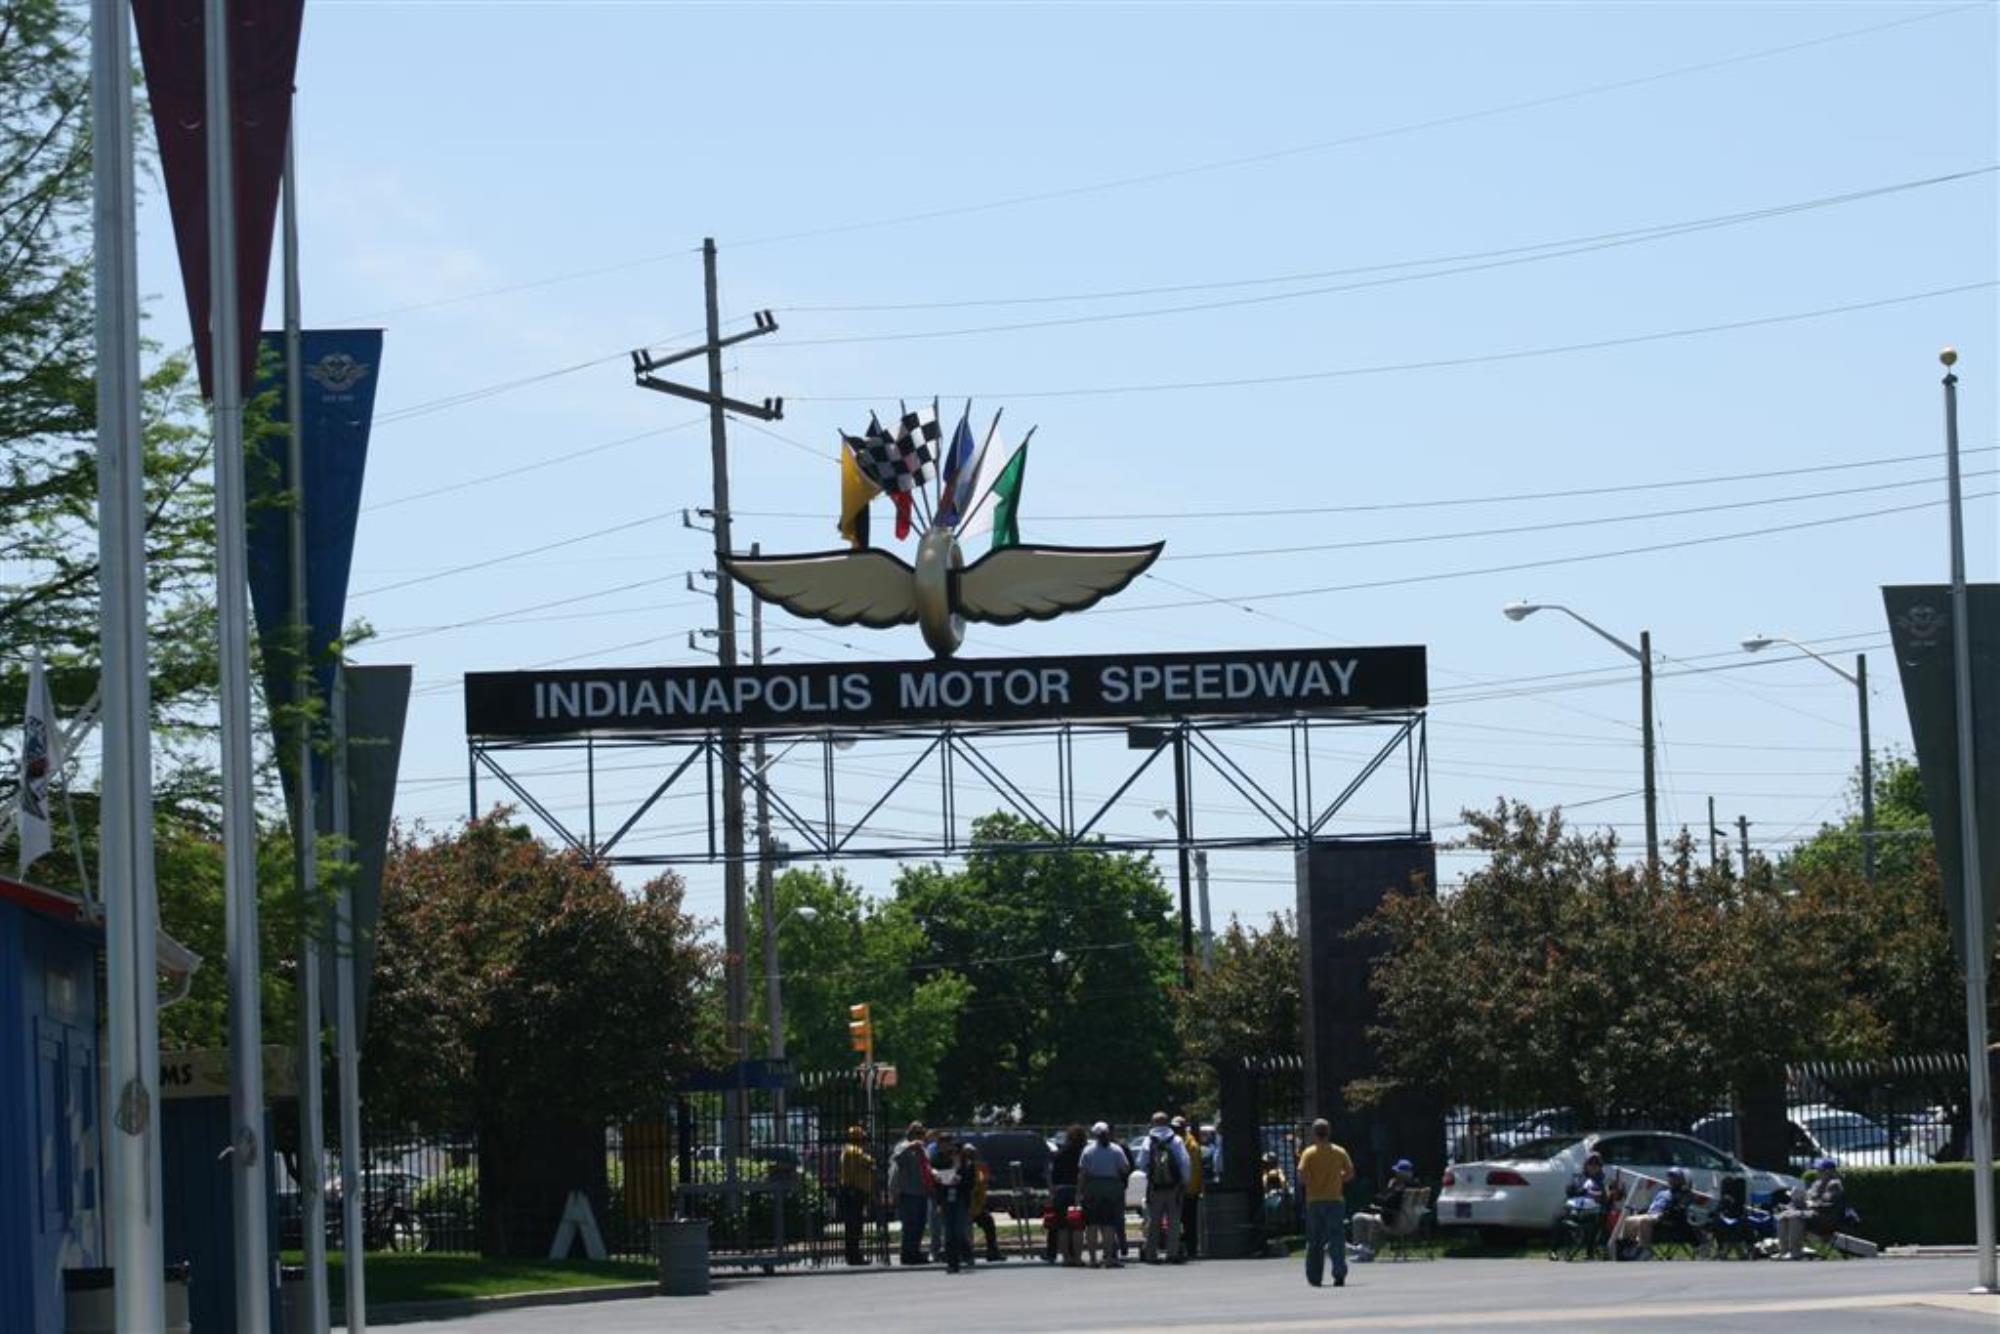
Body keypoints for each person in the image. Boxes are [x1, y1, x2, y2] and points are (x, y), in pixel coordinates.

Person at [1298, 1118, 1355, 1289]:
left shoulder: (1308, 1153)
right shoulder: (1339, 1151)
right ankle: (1339, 1273)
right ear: (1328, 1132)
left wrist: (1312, 1183)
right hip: (1335, 1200)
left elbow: (1301, 1174)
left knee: (1315, 1240)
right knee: (1336, 1238)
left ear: (1314, 1133)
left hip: (1314, 1201)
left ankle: (1315, 1277)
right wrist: (1339, 1179)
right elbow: (1350, 1173)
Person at [1137, 1111, 1191, 1264]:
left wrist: (1152, 1175)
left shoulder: (1148, 1141)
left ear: (1153, 1123)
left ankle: (1151, 1254)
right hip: (1174, 1187)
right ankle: (1172, 1253)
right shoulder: (1176, 1140)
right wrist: (1184, 1182)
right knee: (1174, 1221)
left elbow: (1141, 1164)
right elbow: (1185, 1162)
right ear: (1167, 1123)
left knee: (1154, 1221)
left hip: (1155, 1187)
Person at [1079, 1122, 1128, 1268]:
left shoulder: (1088, 1150)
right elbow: (1125, 1168)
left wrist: (1080, 1192)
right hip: (1111, 1188)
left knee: (1092, 1225)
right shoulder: (1116, 1149)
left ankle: (1093, 1259)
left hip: (1092, 1188)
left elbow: (1082, 1172)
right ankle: (1108, 1258)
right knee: (1109, 1225)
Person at [1617, 1166, 1694, 1259]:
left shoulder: (1685, 1194)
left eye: (1675, 1178)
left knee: (1645, 1220)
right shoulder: (1663, 1192)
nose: (1671, 1179)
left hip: (1668, 1220)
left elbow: (1679, 1211)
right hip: (1653, 1215)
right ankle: (1628, 1249)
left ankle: (1645, 1250)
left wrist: (1665, 1214)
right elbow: (1653, 1206)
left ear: (1682, 1180)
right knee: (1628, 1220)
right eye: (1670, 1177)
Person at [1777, 1157, 1847, 1259]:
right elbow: (1809, 1198)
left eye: (1820, 1170)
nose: (1818, 1172)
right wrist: (1798, 1201)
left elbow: (1826, 1204)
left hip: (1826, 1219)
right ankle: (1784, 1252)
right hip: (1815, 1215)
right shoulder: (1818, 1183)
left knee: (1795, 1217)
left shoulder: (1834, 1185)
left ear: (1829, 1171)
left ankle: (1795, 1252)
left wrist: (1809, 1204)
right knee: (1783, 1216)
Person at [1349, 1158, 1417, 1259]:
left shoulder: (1398, 1188)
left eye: (1397, 1172)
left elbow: (1387, 1203)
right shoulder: (1416, 1187)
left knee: (1358, 1218)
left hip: (1394, 1221)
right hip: (1410, 1223)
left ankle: (1362, 1249)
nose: (1395, 1173)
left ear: (1401, 1174)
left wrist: (1388, 1191)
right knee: (1375, 1219)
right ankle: (1367, 1250)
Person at [888, 1122, 935, 1266]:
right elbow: (897, 1158)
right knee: (910, 1225)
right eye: (917, 1133)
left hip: (922, 1191)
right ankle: (907, 1254)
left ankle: (915, 1251)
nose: (920, 1136)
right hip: (909, 1192)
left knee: (920, 1224)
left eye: (921, 1133)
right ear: (910, 1133)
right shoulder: (903, 1146)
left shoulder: (923, 1149)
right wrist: (910, 1146)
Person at [1047, 1125, 1085, 1266]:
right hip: (1077, 1191)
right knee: (1077, 1227)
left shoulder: (1058, 1154)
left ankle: (1066, 1258)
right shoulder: (1083, 1154)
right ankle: (1077, 1257)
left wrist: (1052, 1192)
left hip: (1061, 1191)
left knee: (1062, 1227)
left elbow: (1050, 1175)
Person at [836, 1124, 874, 1266]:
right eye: (863, 1138)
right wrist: (871, 1162)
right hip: (853, 1191)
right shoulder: (853, 1151)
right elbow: (868, 1161)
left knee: (853, 1225)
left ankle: (853, 1253)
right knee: (854, 1225)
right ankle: (854, 1255)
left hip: (853, 1190)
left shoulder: (849, 1150)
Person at [964, 1143, 1007, 1262]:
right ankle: (965, 1254)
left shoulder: (978, 1166)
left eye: (973, 1153)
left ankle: (992, 1251)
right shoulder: (965, 1166)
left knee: (989, 1223)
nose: (973, 1156)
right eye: (970, 1154)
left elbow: (983, 1180)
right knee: (965, 1232)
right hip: (966, 1205)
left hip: (977, 1205)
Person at [926, 1130, 957, 1262]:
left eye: (948, 1143)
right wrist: (935, 1173)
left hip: (951, 1193)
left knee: (950, 1224)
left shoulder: (955, 1156)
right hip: (936, 1193)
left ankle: (950, 1250)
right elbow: (929, 1168)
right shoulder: (934, 1156)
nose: (945, 1146)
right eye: (942, 1143)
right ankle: (935, 1250)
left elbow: (959, 1169)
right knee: (935, 1225)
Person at [1177, 1116, 1204, 1259]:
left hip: (1188, 1190)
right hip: (1180, 1189)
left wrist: (1192, 1188)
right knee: (1180, 1221)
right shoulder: (1178, 1142)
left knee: (1189, 1222)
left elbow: (1195, 1170)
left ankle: (1191, 1249)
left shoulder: (1191, 1145)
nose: (1175, 1130)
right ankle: (1182, 1248)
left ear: (1184, 1127)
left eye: (1178, 1127)